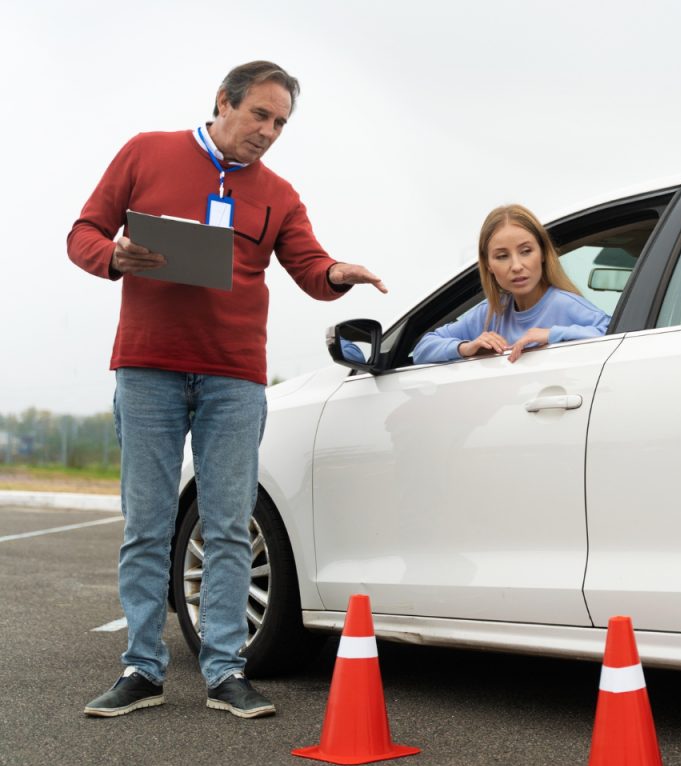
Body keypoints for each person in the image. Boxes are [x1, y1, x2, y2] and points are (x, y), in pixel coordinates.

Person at [67, 61, 387, 719]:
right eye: (260, 115)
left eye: (280, 123)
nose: (269, 132)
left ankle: (224, 672)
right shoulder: (146, 153)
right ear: (223, 102)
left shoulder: (279, 193)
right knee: (149, 524)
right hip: (149, 370)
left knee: (228, 526)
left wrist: (337, 273)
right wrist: (115, 256)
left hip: (234, 379)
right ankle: (142, 669)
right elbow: (83, 234)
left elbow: (308, 265)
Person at [413, 204, 611, 364]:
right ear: (489, 265)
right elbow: (422, 349)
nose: (516, 266)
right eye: (502, 256)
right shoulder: (490, 312)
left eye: (526, 251)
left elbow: (618, 333)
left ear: (542, 253)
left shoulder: (566, 304)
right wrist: (467, 348)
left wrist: (551, 334)